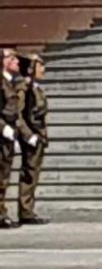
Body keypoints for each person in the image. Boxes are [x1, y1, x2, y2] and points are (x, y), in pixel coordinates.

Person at [0, 48, 42, 229]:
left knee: (4, 176)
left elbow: (15, 113)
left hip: (10, 135)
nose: (16, 61)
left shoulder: (11, 84)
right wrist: (4, 129)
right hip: (3, 134)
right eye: (11, 58)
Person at [17, 54, 48, 225]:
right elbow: (19, 114)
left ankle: (28, 209)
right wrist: (28, 136)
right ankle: (25, 211)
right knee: (29, 174)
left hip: (39, 136)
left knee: (33, 175)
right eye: (40, 65)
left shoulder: (35, 88)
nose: (43, 69)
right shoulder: (24, 89)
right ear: (31, 68)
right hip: (31, 136)